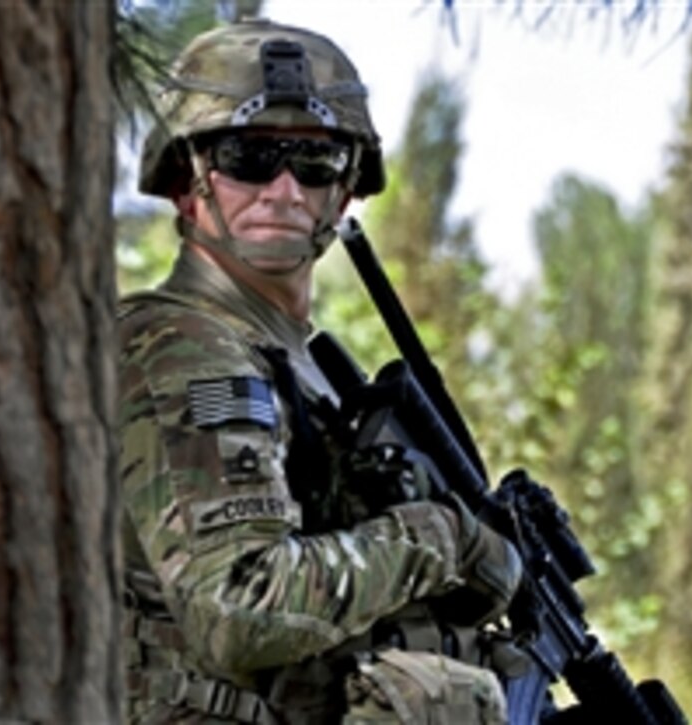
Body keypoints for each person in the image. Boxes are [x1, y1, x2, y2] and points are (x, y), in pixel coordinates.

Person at [120, 18, 523, 724]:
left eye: (314, 163)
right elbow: (239, 608)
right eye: (248, 156)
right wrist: (441, 538)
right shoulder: (185, 345)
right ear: (188, 181)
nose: (282, 187)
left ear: (345, 193)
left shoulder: (296, 367)